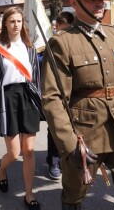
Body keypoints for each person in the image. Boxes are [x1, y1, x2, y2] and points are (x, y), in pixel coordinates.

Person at [41, 0, 114, 210]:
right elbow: (53, 98)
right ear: (74, 2)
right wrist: (69, 145)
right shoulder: (63, 42)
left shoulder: (113, 35)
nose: (99, 4)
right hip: (84, 132)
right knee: (75, 192)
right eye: (91, 0)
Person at [0, 7, 43, 210]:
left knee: (29, 150)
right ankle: (2, 170)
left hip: (27, 97)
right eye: (12, 21)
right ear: (5, 24)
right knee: (14, 153)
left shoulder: (31, 48)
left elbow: (36, 78)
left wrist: (41, 102)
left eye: (19, 21)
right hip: (6, 98)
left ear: (23, 24)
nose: (16, 25)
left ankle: (29, 194)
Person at [46, 11, 74, 181]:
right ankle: (53, 162)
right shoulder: (53, 44)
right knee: (55, 128)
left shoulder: (77, 42)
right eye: (59, 30)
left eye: (66, 30)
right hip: (57, 92)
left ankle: (69, 158)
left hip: (75, 93)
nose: (62, 34)